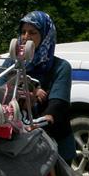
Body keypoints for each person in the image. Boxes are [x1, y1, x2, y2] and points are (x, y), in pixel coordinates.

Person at [18, 10, 75, 163]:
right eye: (23, 32)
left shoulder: (61, 67)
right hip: (19, 144)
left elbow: (57, 105)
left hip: (54, 146)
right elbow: (0, 92)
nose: (25, 37)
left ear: (45, 35)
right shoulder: (13, 64)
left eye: (32, 32)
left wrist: (43, 118)